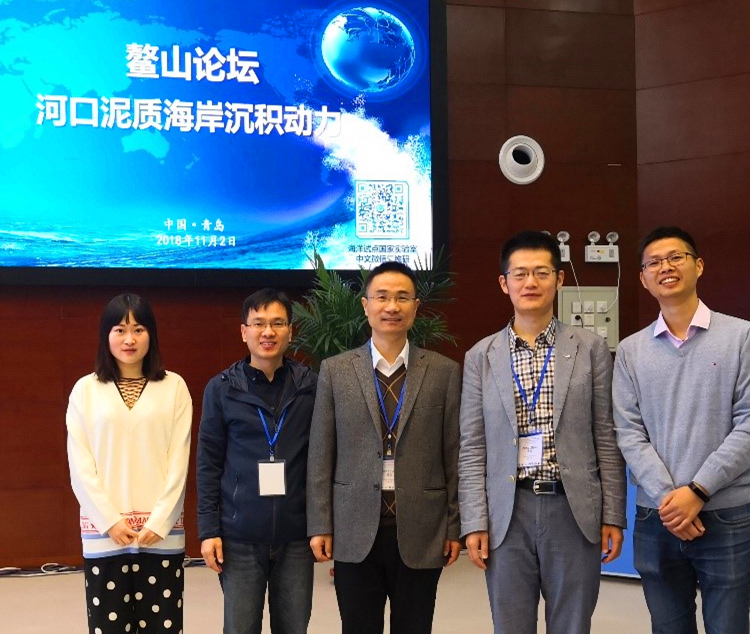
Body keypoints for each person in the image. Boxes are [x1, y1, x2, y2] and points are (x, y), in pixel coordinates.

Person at [459, 231, 626, 634]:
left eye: (541, 272)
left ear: (559, 279)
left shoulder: (590, 348)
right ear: (504, 283)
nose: (530, 282)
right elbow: (472, 446)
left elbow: (606, 436)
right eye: (519, 274)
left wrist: (613, 514)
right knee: (511, 625)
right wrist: (474, 520)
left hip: (573, 508)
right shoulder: (481, 356)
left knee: (572, 624)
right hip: (507, 511)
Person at [613, 227, 750, 634]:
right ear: (643, 278)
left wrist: (698, 491)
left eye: (676, 257)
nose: (665, 267)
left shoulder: (742, 336)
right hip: (657, 517)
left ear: (698, 266)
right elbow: (628, 432)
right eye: (653, 263)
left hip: (723, 513)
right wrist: (671, 501)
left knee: (728, 627)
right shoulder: (630, 350)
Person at [307, 260, 462, 634]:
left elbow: (454, 454)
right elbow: (321, 453)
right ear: (366, 305)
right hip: (354, 526)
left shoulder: (443, 372)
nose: (392, 306)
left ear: (416, 307)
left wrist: (454, 525)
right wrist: (320, 524)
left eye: (402, 297)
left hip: (422, 526)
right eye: (382, 297)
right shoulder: (336, 370)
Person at [66, 294, 193, 634]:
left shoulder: (174, 387)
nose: (129, 339)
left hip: (160, 535)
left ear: (151, 334)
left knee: (163, 627)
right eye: (120, 330)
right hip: (104, 535)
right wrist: (109, 521)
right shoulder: (85, 390)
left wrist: (160, 521)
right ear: (105, 335)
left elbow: (179, 461)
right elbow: (80, 465)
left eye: (138, 329)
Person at [196, 288, 319, 634]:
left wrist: (322, 524)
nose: (268, 332)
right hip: (239, 538)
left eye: (278, 323)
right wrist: (209, 530)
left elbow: (322, 460)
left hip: (296, 538)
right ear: (244, 331)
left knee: (294, 628)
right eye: (259, 323)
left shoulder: (311, 387)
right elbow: (208, 464)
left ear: (290, 331)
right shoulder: (221, 389)